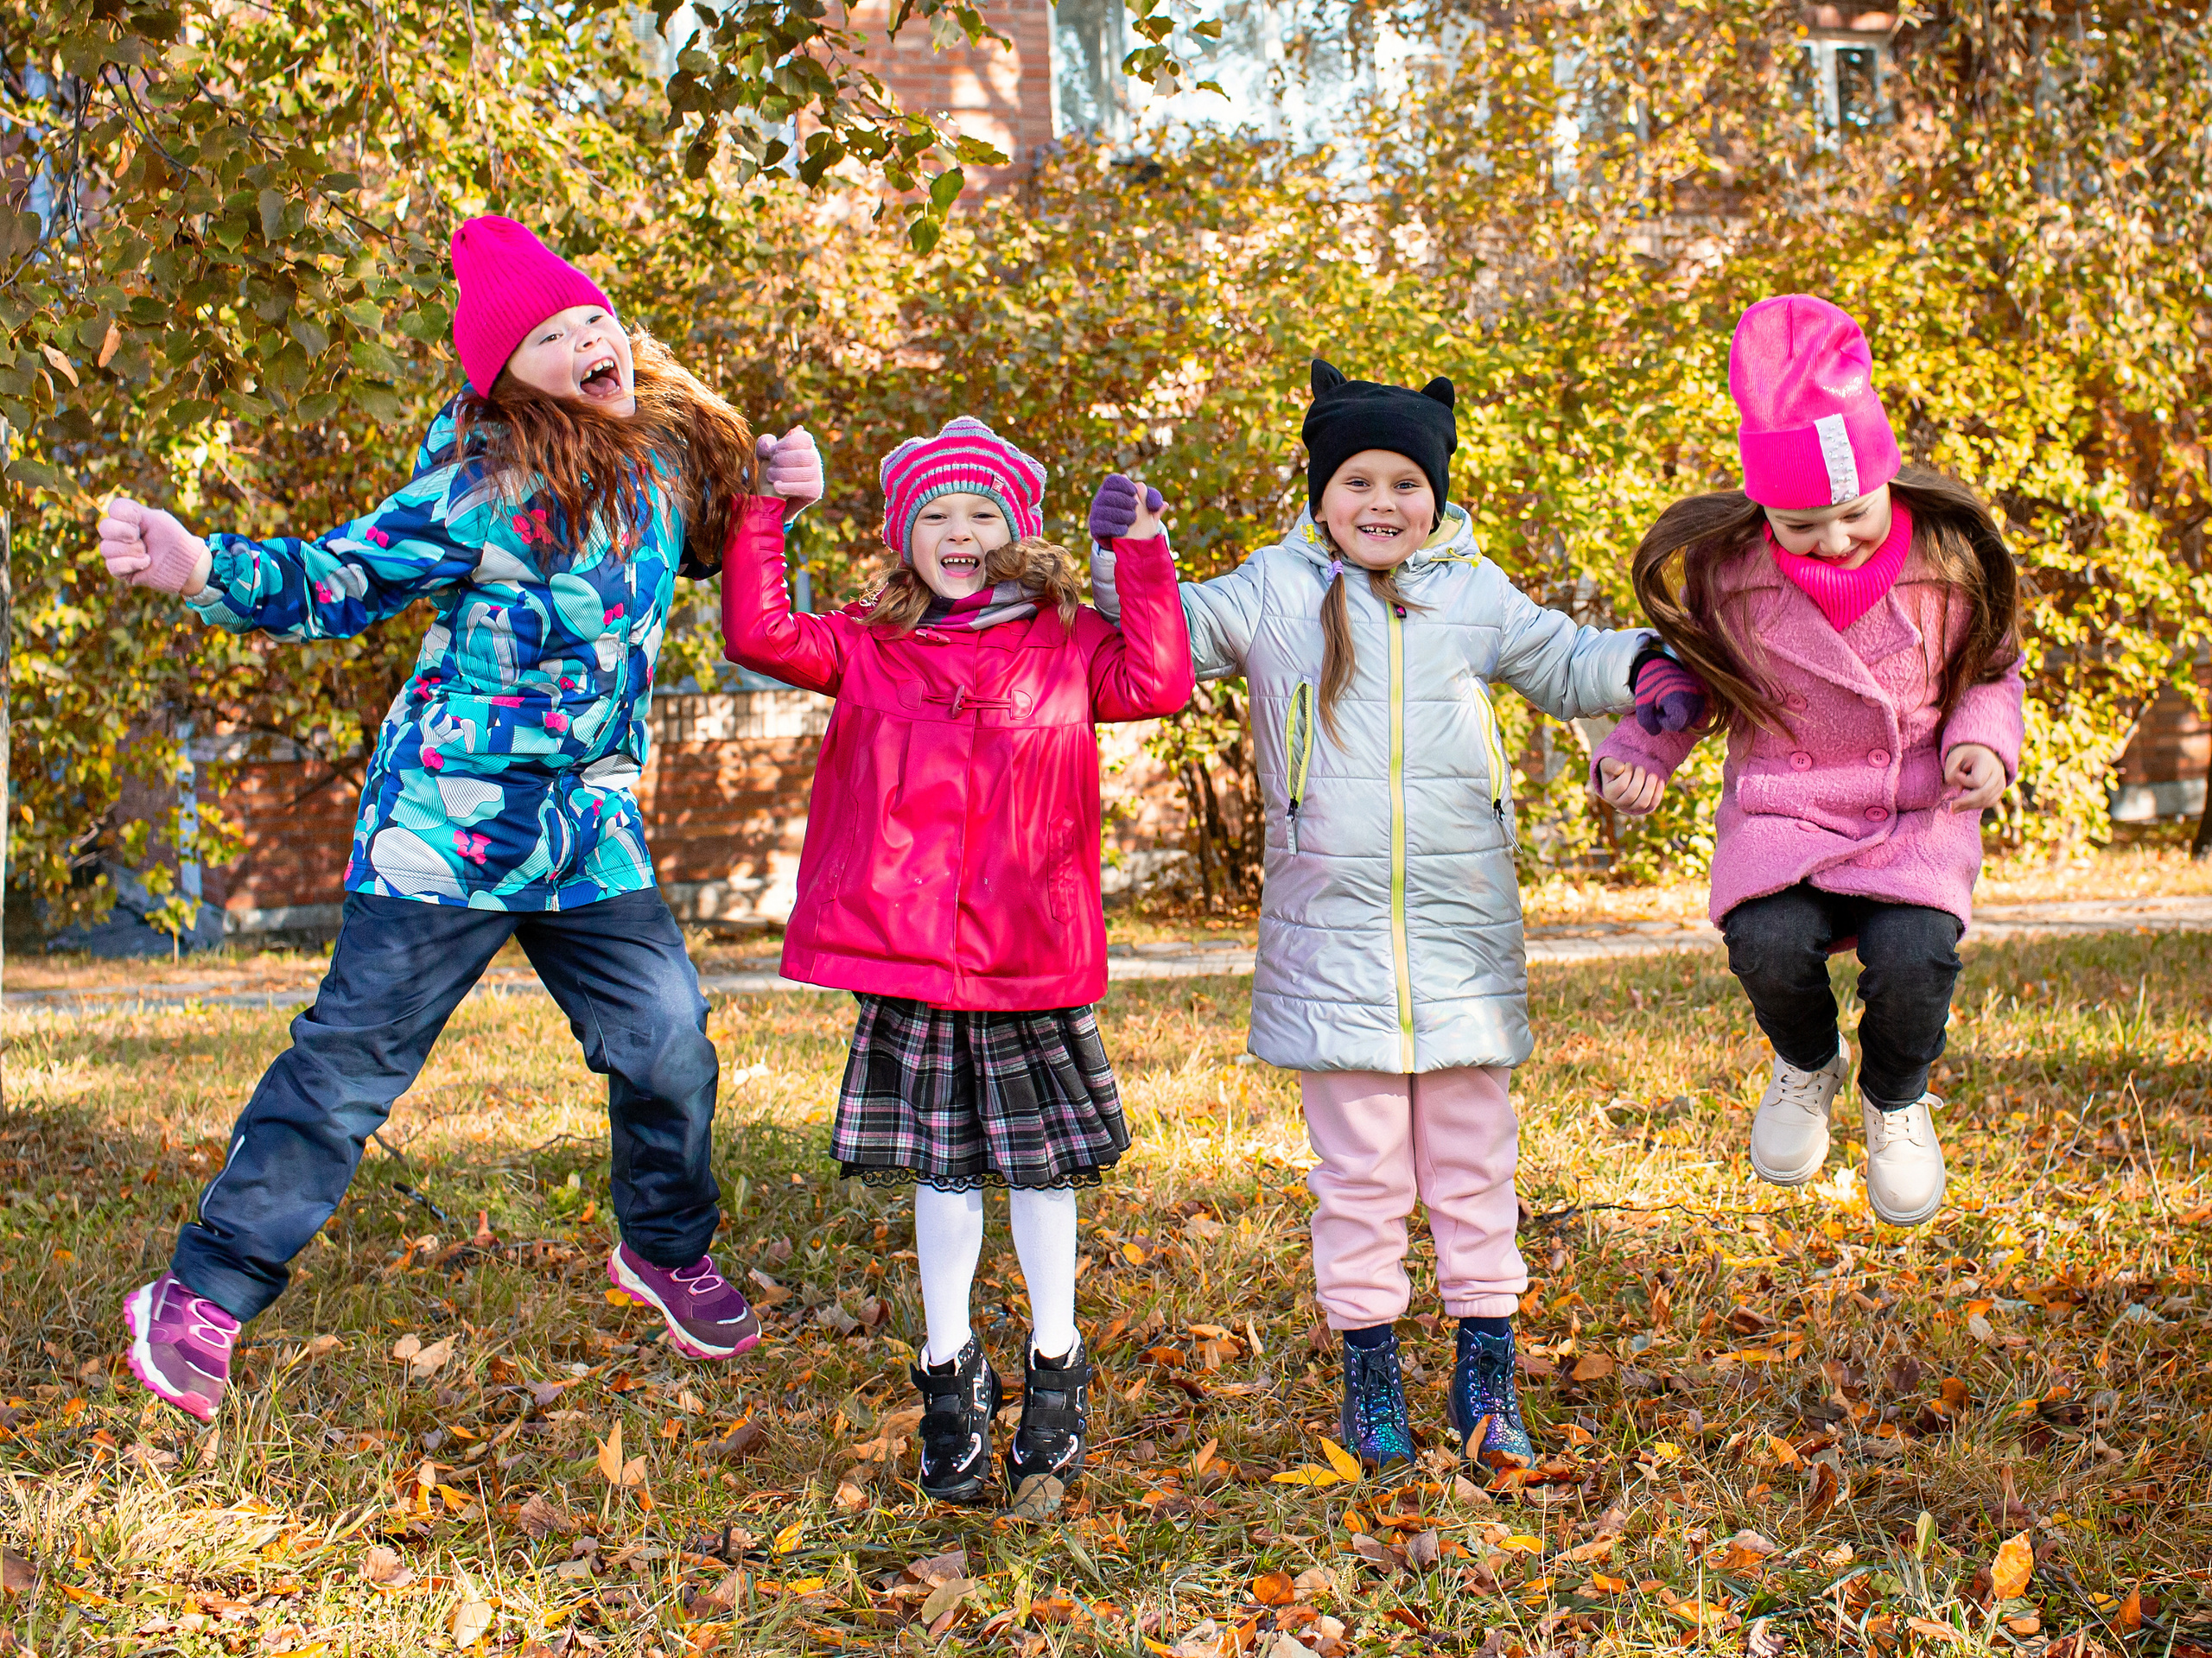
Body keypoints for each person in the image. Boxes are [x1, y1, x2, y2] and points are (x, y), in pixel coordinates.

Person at [94, 215, 823, 1421]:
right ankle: (202, 1293)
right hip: (443, 827)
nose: (589, 334)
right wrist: (201, 566)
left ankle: (663, 1247)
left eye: (592, 313)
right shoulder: (476, 493)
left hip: (585, 830)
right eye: (550, 332)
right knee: (347, 1070)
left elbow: (705, 551)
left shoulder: (665, 461)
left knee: (669, 1045)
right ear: (506, 373)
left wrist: (779, 500)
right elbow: (334, 578)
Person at [1088, 361, 1691, 1478]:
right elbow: (1159, 637)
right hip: (1332, 941)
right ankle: (1371, 1375)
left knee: (1473, 1165)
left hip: (1463, 939)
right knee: (1358, 1173)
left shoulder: (1471, 588)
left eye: (1405, 481)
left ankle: (1487, 1373)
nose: (1380, 502)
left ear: (1438, 494)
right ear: (1319, 491)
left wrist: (1650, 669)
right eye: (1355, 478)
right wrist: (1128, 550)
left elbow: (1565, 659)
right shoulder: (1271, 590)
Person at [721, 416, 1192, 1515]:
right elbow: (757, 631)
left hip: (1030, 944)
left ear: (1017, 531)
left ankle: (1057, 1363)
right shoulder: (866, 641)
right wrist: (766, 513)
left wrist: (1143, 552)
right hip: (914, 951)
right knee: (942, 1168)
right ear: (903, 533)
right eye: (937, 513)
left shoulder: (1070, 642)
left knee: (1035, 1168)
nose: (961, 532)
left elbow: (1161, 679)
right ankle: (949, 1368)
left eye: (983, 512)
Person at [1592, 294, 2024, 1229]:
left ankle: (1894, 1099)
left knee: (1916, 960)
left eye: (1851, 516)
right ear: (1764, 510)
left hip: (1911, 812)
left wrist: (1982, 742)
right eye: (1801, 524)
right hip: (1786, 809)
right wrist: (1643, 749)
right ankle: (1804, 1060)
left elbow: (1990, 666)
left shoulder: (1947, 557)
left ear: (1884, 480)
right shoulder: (1731, 574)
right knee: (1767, 940)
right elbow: (1693, 680)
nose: (1830, 540)